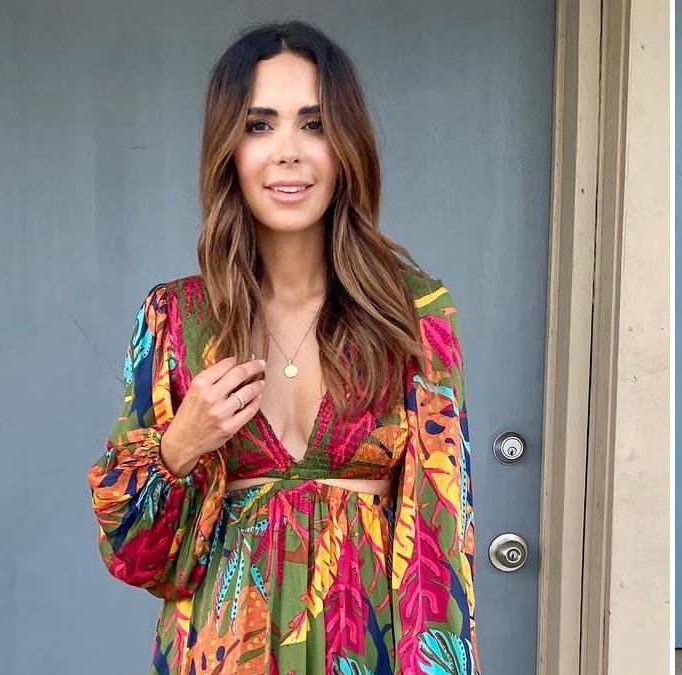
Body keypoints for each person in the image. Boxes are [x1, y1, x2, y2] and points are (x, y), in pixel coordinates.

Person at [87, 21, 478, 675]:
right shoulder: (175, 319)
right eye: (260, 125)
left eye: (314, 125)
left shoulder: (413, 313)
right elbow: (133, 556)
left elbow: (441, 537)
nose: (288, 152)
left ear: (346, 146)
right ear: (229, 149)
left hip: (364, 654)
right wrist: (181, 444)